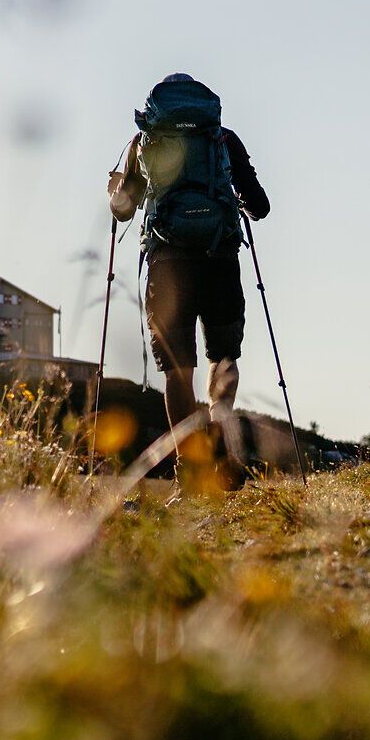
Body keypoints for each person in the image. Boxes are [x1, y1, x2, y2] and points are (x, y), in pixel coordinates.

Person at [107, 74, 270, 493]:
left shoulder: (143, 142)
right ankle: (221, 452)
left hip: (168, 265)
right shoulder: (221, 138)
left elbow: (123, 210)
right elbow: (261, 207)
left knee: (178, 373)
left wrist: (114, 190)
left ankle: (190, 472)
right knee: (223, 356)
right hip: (220, 258)